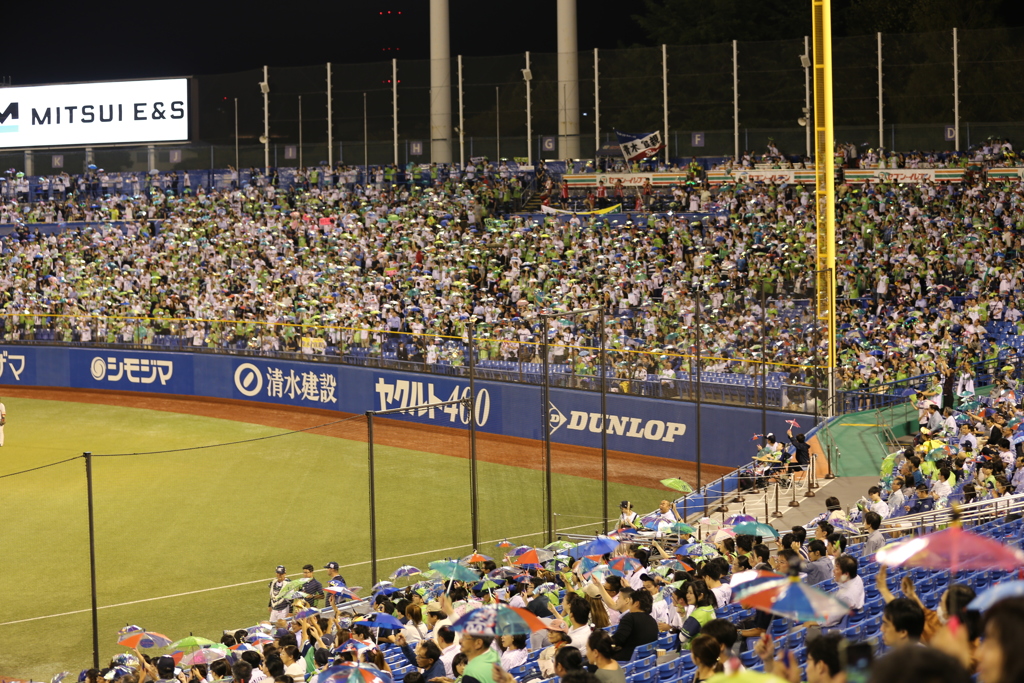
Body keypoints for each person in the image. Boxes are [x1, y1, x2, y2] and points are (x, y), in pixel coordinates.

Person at [609, 587, 658, 661]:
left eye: (631, 600)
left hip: (628, 659)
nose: (629, 604)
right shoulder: (653, 620)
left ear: (637, 603)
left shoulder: (629, 618)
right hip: (646, 660)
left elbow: (618, 639)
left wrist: (605, 639)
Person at [823, 555, 863, 627]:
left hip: (838, 627)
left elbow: (829, 620)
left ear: (846, 574)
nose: (834, 571)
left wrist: (811, 622)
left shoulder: (845, 595)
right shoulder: (857, 578)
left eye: (837, 569)